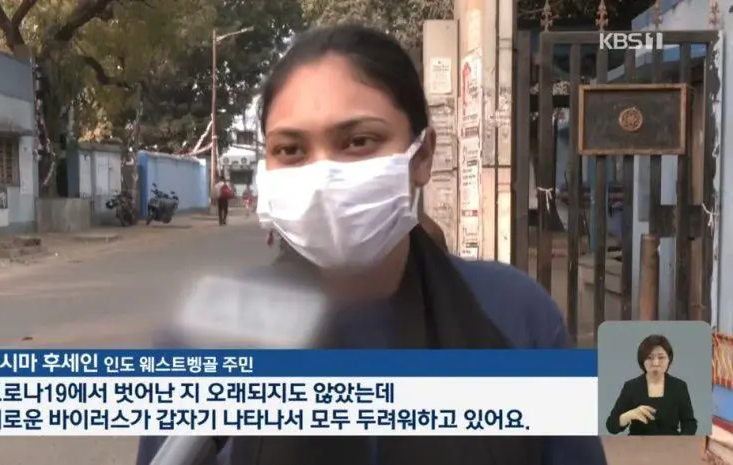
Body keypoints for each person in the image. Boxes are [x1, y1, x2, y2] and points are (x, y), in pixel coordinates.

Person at [137, 25, 607, 465]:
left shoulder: (516, 318)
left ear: (421, 156)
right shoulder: (202, 339)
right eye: (291, 150)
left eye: (359, 141)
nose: (323, 178)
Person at [605, 334, 697, 436]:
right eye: (649, 358)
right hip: (638, 443)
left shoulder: (679, 386)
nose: (655, 363)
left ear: (669, 359)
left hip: (671, 443)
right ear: (642, 360)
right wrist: (629, 415)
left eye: (661, 357)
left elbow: (689, 423)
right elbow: (611, 426)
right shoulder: (631, 387)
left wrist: (681, 442)